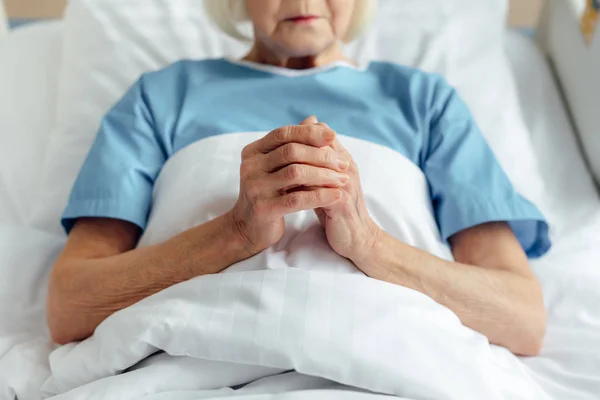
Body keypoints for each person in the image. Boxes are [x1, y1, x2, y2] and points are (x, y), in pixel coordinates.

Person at [47, 0, 551, 356]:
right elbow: (70, 304)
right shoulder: (161, 97)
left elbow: (523, 318)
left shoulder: (425, 102)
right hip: (189, 357)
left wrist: (370, 244)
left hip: (391, 356)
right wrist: (235, 232)